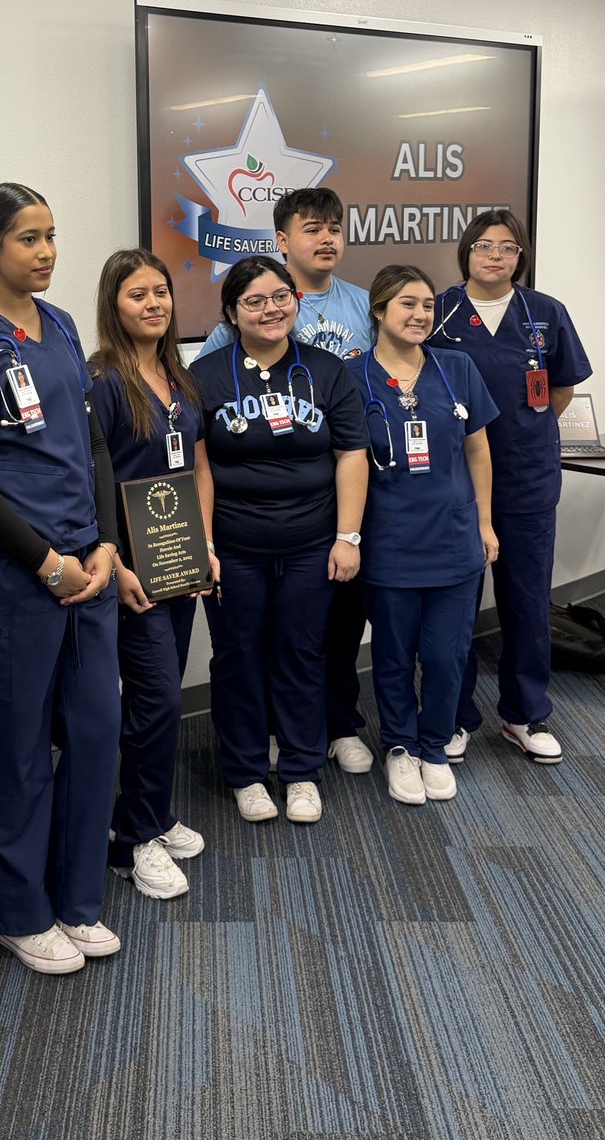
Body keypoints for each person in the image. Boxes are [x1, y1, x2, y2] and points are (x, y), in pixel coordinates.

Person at [0, 183, 122, 975]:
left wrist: (106, 544)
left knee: (96, 732)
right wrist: (46, 562)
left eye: (50, 236)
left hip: (89, 561)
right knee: (15, 749)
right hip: (18, 572)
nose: (43, 253)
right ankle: (18, 911)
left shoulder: (65, 325)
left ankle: (76, 899)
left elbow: (94, 447)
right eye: (26, 239)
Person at [199, 187, 374, 776]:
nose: (270, 309)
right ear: (231, 313)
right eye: (255, 301)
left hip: (314, 537)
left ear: (294, 301)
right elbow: (198, 463)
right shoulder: (207, 373)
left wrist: (347, 536)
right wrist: (204, 544)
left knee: (311, 646)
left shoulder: (331, 360)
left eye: (281, 298)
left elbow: (352, 449)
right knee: (241, 654)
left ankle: (315, 750)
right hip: (238, 542)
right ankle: (249, 762)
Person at [430, 209, 592, 765]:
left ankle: (524, 714)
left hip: (526, 479)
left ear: (520, 255)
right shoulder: (441, 312)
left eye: (506, 247)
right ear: (466, 252)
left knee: (526, 601)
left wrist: (523, 431)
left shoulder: (545, 313)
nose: (494, 255)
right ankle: (455, 718)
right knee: (454, 607)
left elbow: (561, 389)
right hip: (454, 483)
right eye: (482, 245)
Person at [89, 248, 220, 899]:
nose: (153, 304)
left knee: (161, 696)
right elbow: (94, 480)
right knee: (157, 701)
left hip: (179, 563)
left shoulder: (178, 374)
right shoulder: (104, 382)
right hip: (133, 572)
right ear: (113, 304)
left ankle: (148, 814)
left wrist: (205, 546)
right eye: (137, 294)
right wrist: (113, 562)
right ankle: (131, 842)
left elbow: (197, 467)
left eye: (160, 293)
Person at [345, 266, 499, 804]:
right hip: (388, 543)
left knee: (445, 655)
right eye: (407, 304)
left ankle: (434, 746)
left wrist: (484, 522)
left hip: (455, 540)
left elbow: (478, 449)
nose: (420, 315)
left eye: (428, 306)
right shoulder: (352, 376)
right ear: (379, 311)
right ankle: (400, 748)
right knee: (391, 656)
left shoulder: (456, 368)